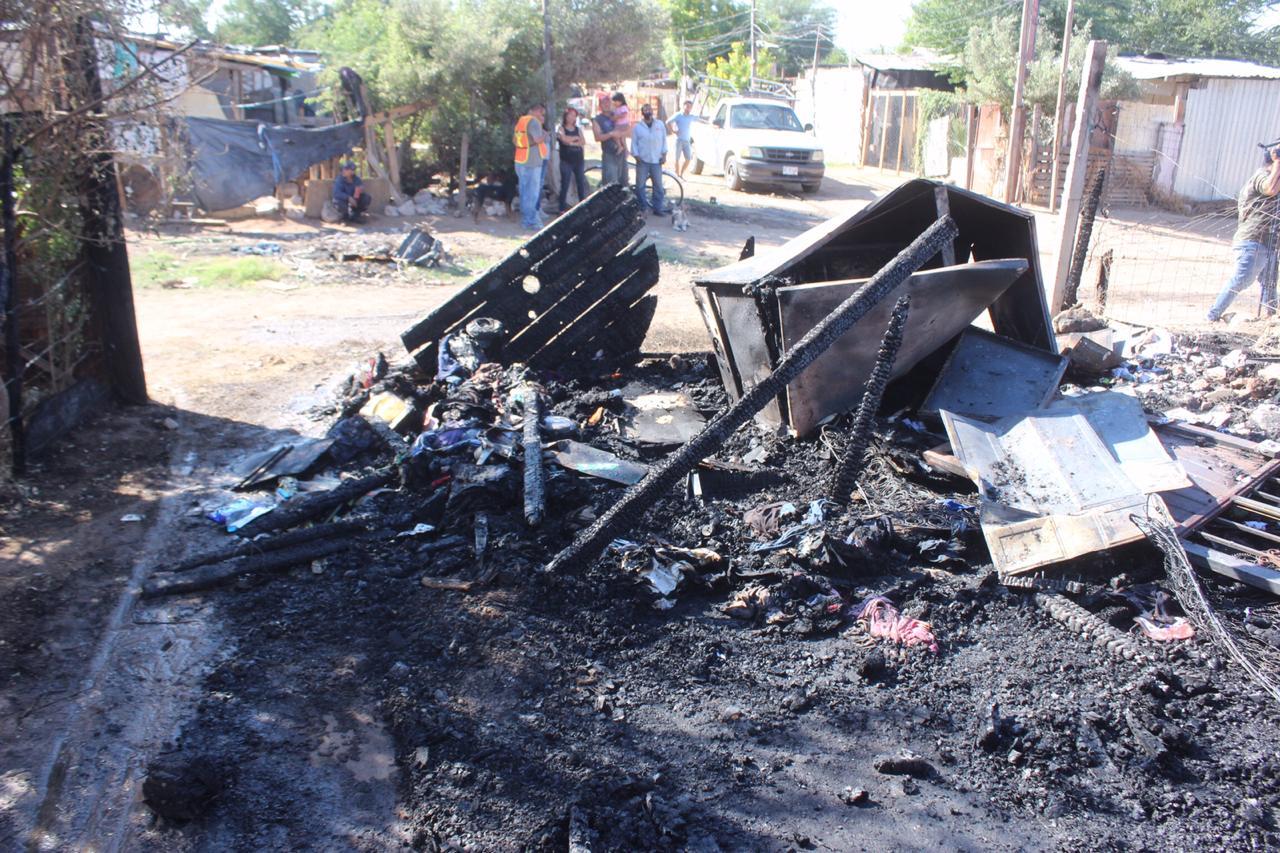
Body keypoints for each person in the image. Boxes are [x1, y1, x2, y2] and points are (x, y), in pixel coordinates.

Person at [1207, 145, 1280, 322]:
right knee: (1242, 280)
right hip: (1253, 241)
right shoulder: (1261, 176)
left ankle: (1270, 318)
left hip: (1269, 241)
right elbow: (1270, 188)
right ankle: (1213, 315)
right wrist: (1278, 160)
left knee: (1269, 285)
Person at [513, 103, 549, 230]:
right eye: (542, 113)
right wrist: (545, 135)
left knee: (524, 191)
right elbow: (538, 139)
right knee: (532, 193)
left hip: (520, 159)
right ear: (537, 111)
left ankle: (526, 219)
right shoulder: (534, 122)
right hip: (532, 161)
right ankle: (530, 221)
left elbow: (515, 140)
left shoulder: (521, 121)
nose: (542, 116)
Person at [631, 102, 668, 215]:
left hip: (657, 160)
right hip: (643, 161)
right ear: (642, 113)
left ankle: (657, 208)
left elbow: (664, 141)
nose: (647, 111)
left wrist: (664, 155)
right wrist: (636, 156)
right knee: (640, 186)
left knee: (658, 186)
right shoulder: (637, 127)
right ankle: (642, 207)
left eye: (649, 109)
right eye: (645, 110)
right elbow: (634, 143)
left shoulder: (660, 125)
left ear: (652, 111)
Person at [556, 107, 588, 212]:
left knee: (580, 184)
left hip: (578, 160)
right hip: (566, 161)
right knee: (565, 184)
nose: (572, 118)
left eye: (574, 115)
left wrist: (571, 142)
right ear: (565, 116)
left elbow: (583, 141)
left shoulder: (578, 129)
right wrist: (575, 139)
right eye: (570, 115)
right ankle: (561, 209)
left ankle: (582, 207)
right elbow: (564, 139)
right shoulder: (561, 129)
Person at [592, 94, 628, 186]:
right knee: (611, 184)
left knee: (623, 182)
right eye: (603, 103)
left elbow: (628, 130)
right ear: (600, 105)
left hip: (621, 154)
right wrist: (611, 134)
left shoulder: (617, 114)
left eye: (608, 102)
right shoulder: (597, 119)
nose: (606, 104)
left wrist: (626, 148)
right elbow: (597, 137)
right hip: (609, 155)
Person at [667, 100, 697, 177]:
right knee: (677, 158)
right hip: (679, 140)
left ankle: (681, 173)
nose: (688, 108)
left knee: (688, 158)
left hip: (687, 141)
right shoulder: (678, 115)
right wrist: (673, 131)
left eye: (690, 107)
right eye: (687, 106)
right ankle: (677, 175)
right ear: (683, 106)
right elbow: (667, 122)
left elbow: (702, 119)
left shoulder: (691, 116)